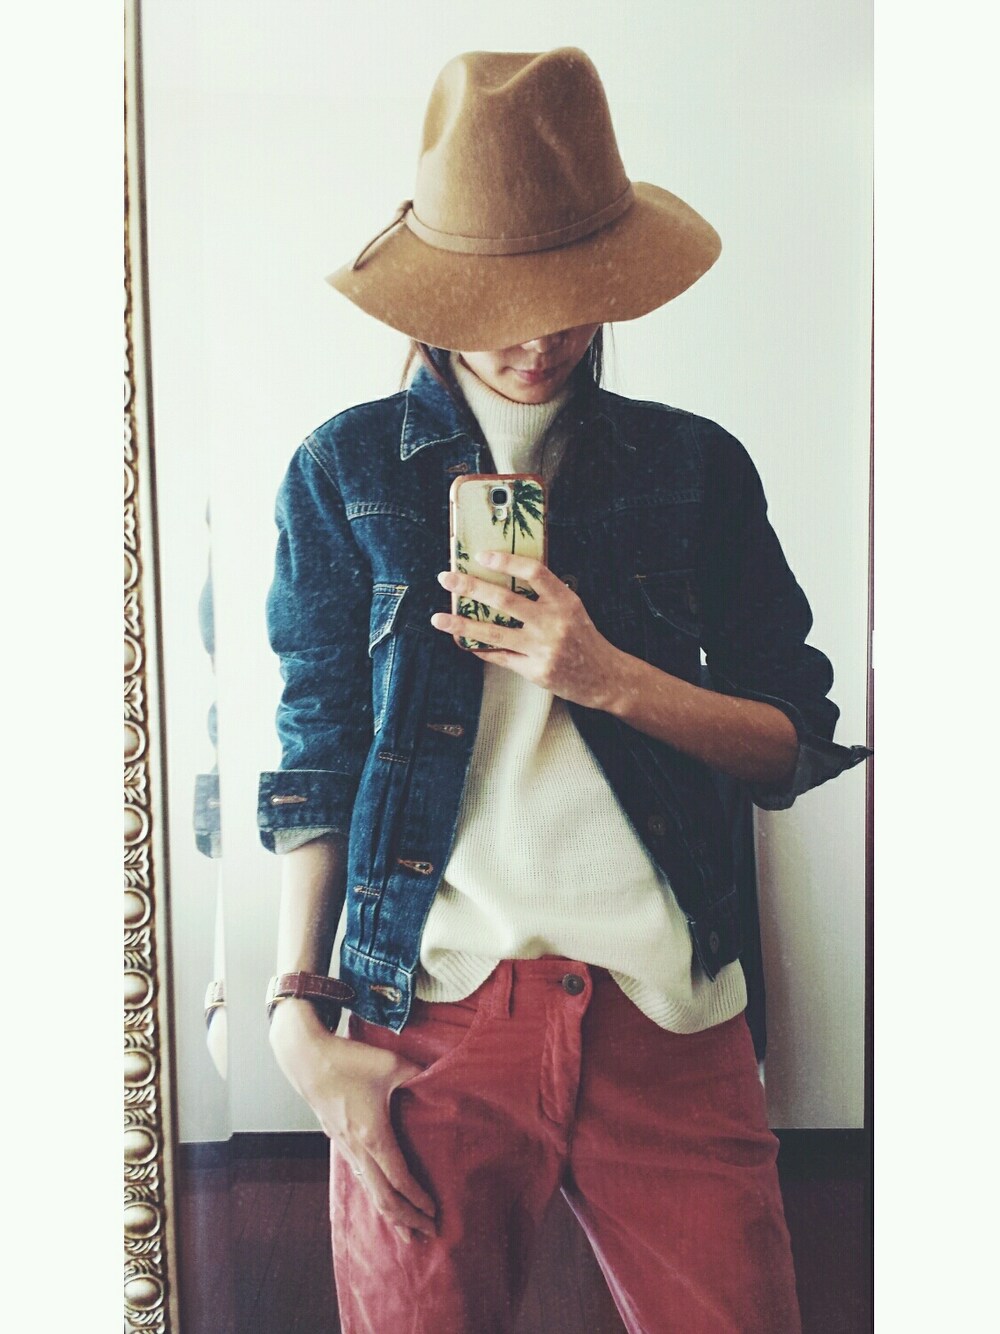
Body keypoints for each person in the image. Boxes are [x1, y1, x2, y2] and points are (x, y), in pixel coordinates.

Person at [258, 47, 868, 1334]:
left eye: (575, 288)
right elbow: (317, 749)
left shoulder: (695, 468)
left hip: (668, 1015)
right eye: (501, 294)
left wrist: (607, 677)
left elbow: (791, 743)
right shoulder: (344, 472)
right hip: (422, 1017)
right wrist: (295, 1019)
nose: (541, 332)